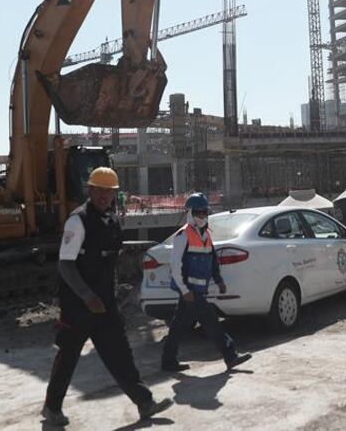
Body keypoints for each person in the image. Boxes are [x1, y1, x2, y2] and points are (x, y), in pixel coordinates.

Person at [42, 167, 172, 427]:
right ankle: (52, 407)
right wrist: (87, 295)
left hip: (105, 305)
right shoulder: (77, 221)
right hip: (78, 306)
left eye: (109, 192)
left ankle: (144, 402)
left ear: (114, 194)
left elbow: (110, 261)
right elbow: (65, 265)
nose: (104, 196)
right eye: (99, 190)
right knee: (68, 357)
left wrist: (113, 292)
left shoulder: (112, 220)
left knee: (121, 354)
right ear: (90, 190)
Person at [161, 192, 252, 373]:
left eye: (205, 213)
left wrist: (219, 281)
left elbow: (212, 261)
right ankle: (230, 355)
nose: (202, 216)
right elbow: (175, 264)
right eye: (199, 212)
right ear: (191, 213)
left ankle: (168, 361)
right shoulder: (183, 236)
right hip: (189, 290)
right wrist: (184, 289)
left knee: (178, 326)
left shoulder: (206, 236)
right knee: (211, 320)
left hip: (197, 290)